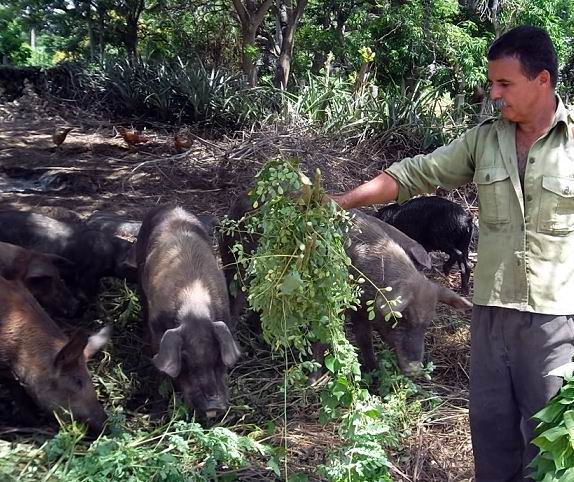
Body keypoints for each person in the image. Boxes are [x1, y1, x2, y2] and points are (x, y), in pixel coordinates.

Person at [330, 25, 574, 481]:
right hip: (489, 318)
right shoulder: (484, 139)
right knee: (490, 431)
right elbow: (416, 173)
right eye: (492, 83)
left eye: (505, 84)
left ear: (543, 80)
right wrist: (342, 201)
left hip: (554, 319)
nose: (494, 94)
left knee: (550, 439)